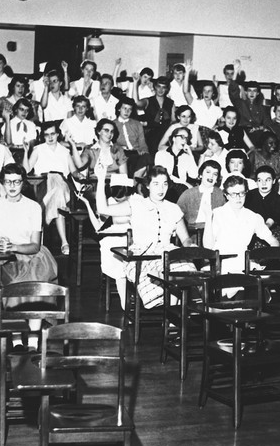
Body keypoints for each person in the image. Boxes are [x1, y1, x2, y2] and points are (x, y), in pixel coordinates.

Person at [93, 163, 193, 308]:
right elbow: (103, 209)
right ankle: (172, 316)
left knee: (185, 271)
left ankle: (173, 319)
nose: (161, 189)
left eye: (164, 184)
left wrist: (191, 245)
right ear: (147, 185)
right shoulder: (136, 204)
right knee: (165, 274)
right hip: (142, 257)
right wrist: (101, 178)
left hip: (168, 254)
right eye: (156, 184)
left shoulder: (174, 208)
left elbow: (185, 239)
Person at [0, 163, 58, 286]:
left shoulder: (34, 207)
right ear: (2, 182)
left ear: (23, 183)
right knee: (14, 283)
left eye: (16, 182)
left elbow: (35, 246)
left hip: (33, 258)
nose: (12, 186)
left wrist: (13, 247)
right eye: (8, 181)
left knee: (35, 284)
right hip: (4, 259)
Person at [74, 174, 134, 307]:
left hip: (132, 238)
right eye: (118, 197)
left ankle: (133, 296)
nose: (120, 200)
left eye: (123, 196)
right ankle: (126, 305)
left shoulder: (135, 201)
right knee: (119, 268)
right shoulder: (109, 202)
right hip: (114, 239)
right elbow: (98, 227)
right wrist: (88, 205)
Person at [203, 174, 279, 273]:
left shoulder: (253, 217)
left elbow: (275, 243)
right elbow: (208, 246)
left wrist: (265, 260)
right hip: (220, 264)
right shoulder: (216, 214)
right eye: (233, 194)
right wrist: (208, 218)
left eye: (242, 193)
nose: (238, 198)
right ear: (226, 195)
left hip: (244, 264)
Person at [24, 120, 79, 254]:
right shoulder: (38, 149)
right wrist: (26, 152)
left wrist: (80, 175)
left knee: (58, 186)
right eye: (46, 135)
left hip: (63, 184)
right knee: (58, 200)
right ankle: (64, 242)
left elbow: (74, 171)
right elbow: (26, 169)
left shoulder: (65, 151)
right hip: (43, 184)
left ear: (58, 134)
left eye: (52, 134)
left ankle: (45, 223)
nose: (50, 137)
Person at [245, 165, 280, 246]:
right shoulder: (248, 196)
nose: (264, 183)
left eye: (267, 180)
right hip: (249, 231)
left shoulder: (279, 200)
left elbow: (269, 223)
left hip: (272, 232)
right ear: (256, 182)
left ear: (273, 181)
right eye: (260, 180)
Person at [153, 127, 199, 200]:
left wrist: (190, 154)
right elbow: (164, 174)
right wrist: (186, 184)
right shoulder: (161, 154)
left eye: (186, 138)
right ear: (174, 138)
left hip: (181, 189)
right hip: (165, 185)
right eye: (182, 137)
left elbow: (194, 175)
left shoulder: (186, 157)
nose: (184, 140)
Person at [176, 160, 225, 227]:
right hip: (192, 233)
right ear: (201, 174)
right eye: (208, 172)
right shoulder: (189, 193)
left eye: (215, 174)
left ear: (217, 179)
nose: (211, 176)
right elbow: (176, 215)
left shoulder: (221, 195)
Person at [114, 96, 151, 176]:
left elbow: (142, 142)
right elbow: (112, 144)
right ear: (119, 109)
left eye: (129, 109)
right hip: (122, 154)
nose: (127, 111)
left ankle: (135, 180)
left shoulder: (137, 124)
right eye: (124, 108)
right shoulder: (112, 124)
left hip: (136, 153)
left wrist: (143, 150)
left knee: (147, 157)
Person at [140, 76, 174, 154]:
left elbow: (173, 120)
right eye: (158, 86)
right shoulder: (148, 101)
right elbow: (137, 103)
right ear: (155, 87)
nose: (161, 90)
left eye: (164, 87)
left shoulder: (170, 102)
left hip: (165, 133)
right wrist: (135, 83)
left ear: (167, 89)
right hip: (150, 133)